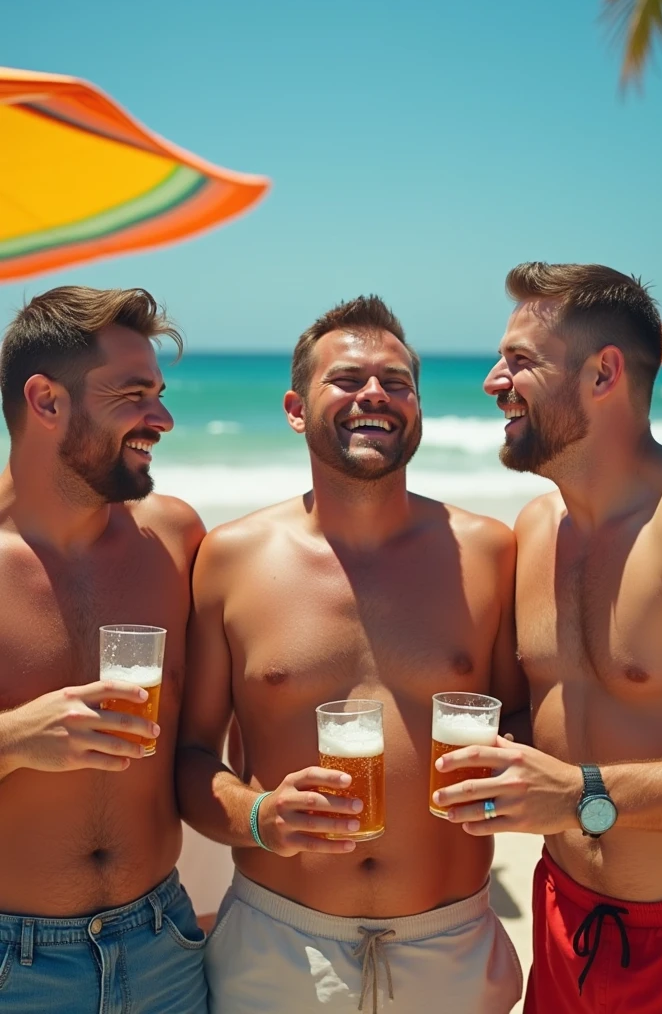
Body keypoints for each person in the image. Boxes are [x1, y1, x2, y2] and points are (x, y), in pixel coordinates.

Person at [177, 295, 526, 1014]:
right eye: (347, 379)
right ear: (295, 409)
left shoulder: (491, 553)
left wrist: (515, 776)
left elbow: (525, 725)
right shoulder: (231, 559)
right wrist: (258, 815)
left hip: (451, 947)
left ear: (419, 409)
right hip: (279, 948)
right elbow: (188, 760)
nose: (375, 393)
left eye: (397, 382)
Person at [434, 261, 662, 1013]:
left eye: (520, 361)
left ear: (603, 373)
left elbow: (574, 785)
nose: (491, 380)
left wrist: (585, 794)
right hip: (562, 926)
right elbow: (534, 717)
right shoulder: (535, 531)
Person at [0, 287, 207, 1013]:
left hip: (164, 942)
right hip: (11, 964)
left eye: (159, 393)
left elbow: (205, 738)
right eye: (134, 395)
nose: (163, 419)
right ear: (46, 401)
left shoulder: (177, 540)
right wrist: (15, 738)